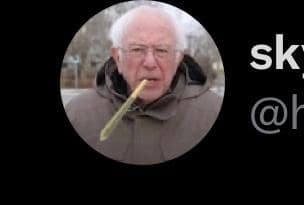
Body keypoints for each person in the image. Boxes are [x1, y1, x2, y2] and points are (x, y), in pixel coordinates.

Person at [66, 4, 221, 163]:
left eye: (161, 50)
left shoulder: (212, 112)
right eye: (137, 49)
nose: (150, 63)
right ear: (118, 58)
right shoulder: (77, 115)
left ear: (177, 59)